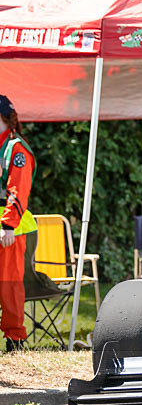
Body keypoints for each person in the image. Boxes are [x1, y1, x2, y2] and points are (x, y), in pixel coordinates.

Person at [0, 95, 37, 352]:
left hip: (10, 228)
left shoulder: (16, 149)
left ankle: (16, 341)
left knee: (9, 285)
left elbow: (18, 190)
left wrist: (8, 226)